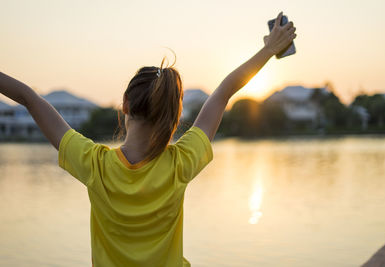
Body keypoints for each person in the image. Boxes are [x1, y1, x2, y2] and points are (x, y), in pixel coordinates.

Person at [0, 12, 296, 267]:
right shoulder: (181, 163)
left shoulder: (95, 166)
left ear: (125, 105)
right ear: (173, 116)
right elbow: (224, 91)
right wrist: (269, 50)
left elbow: (29, 98)